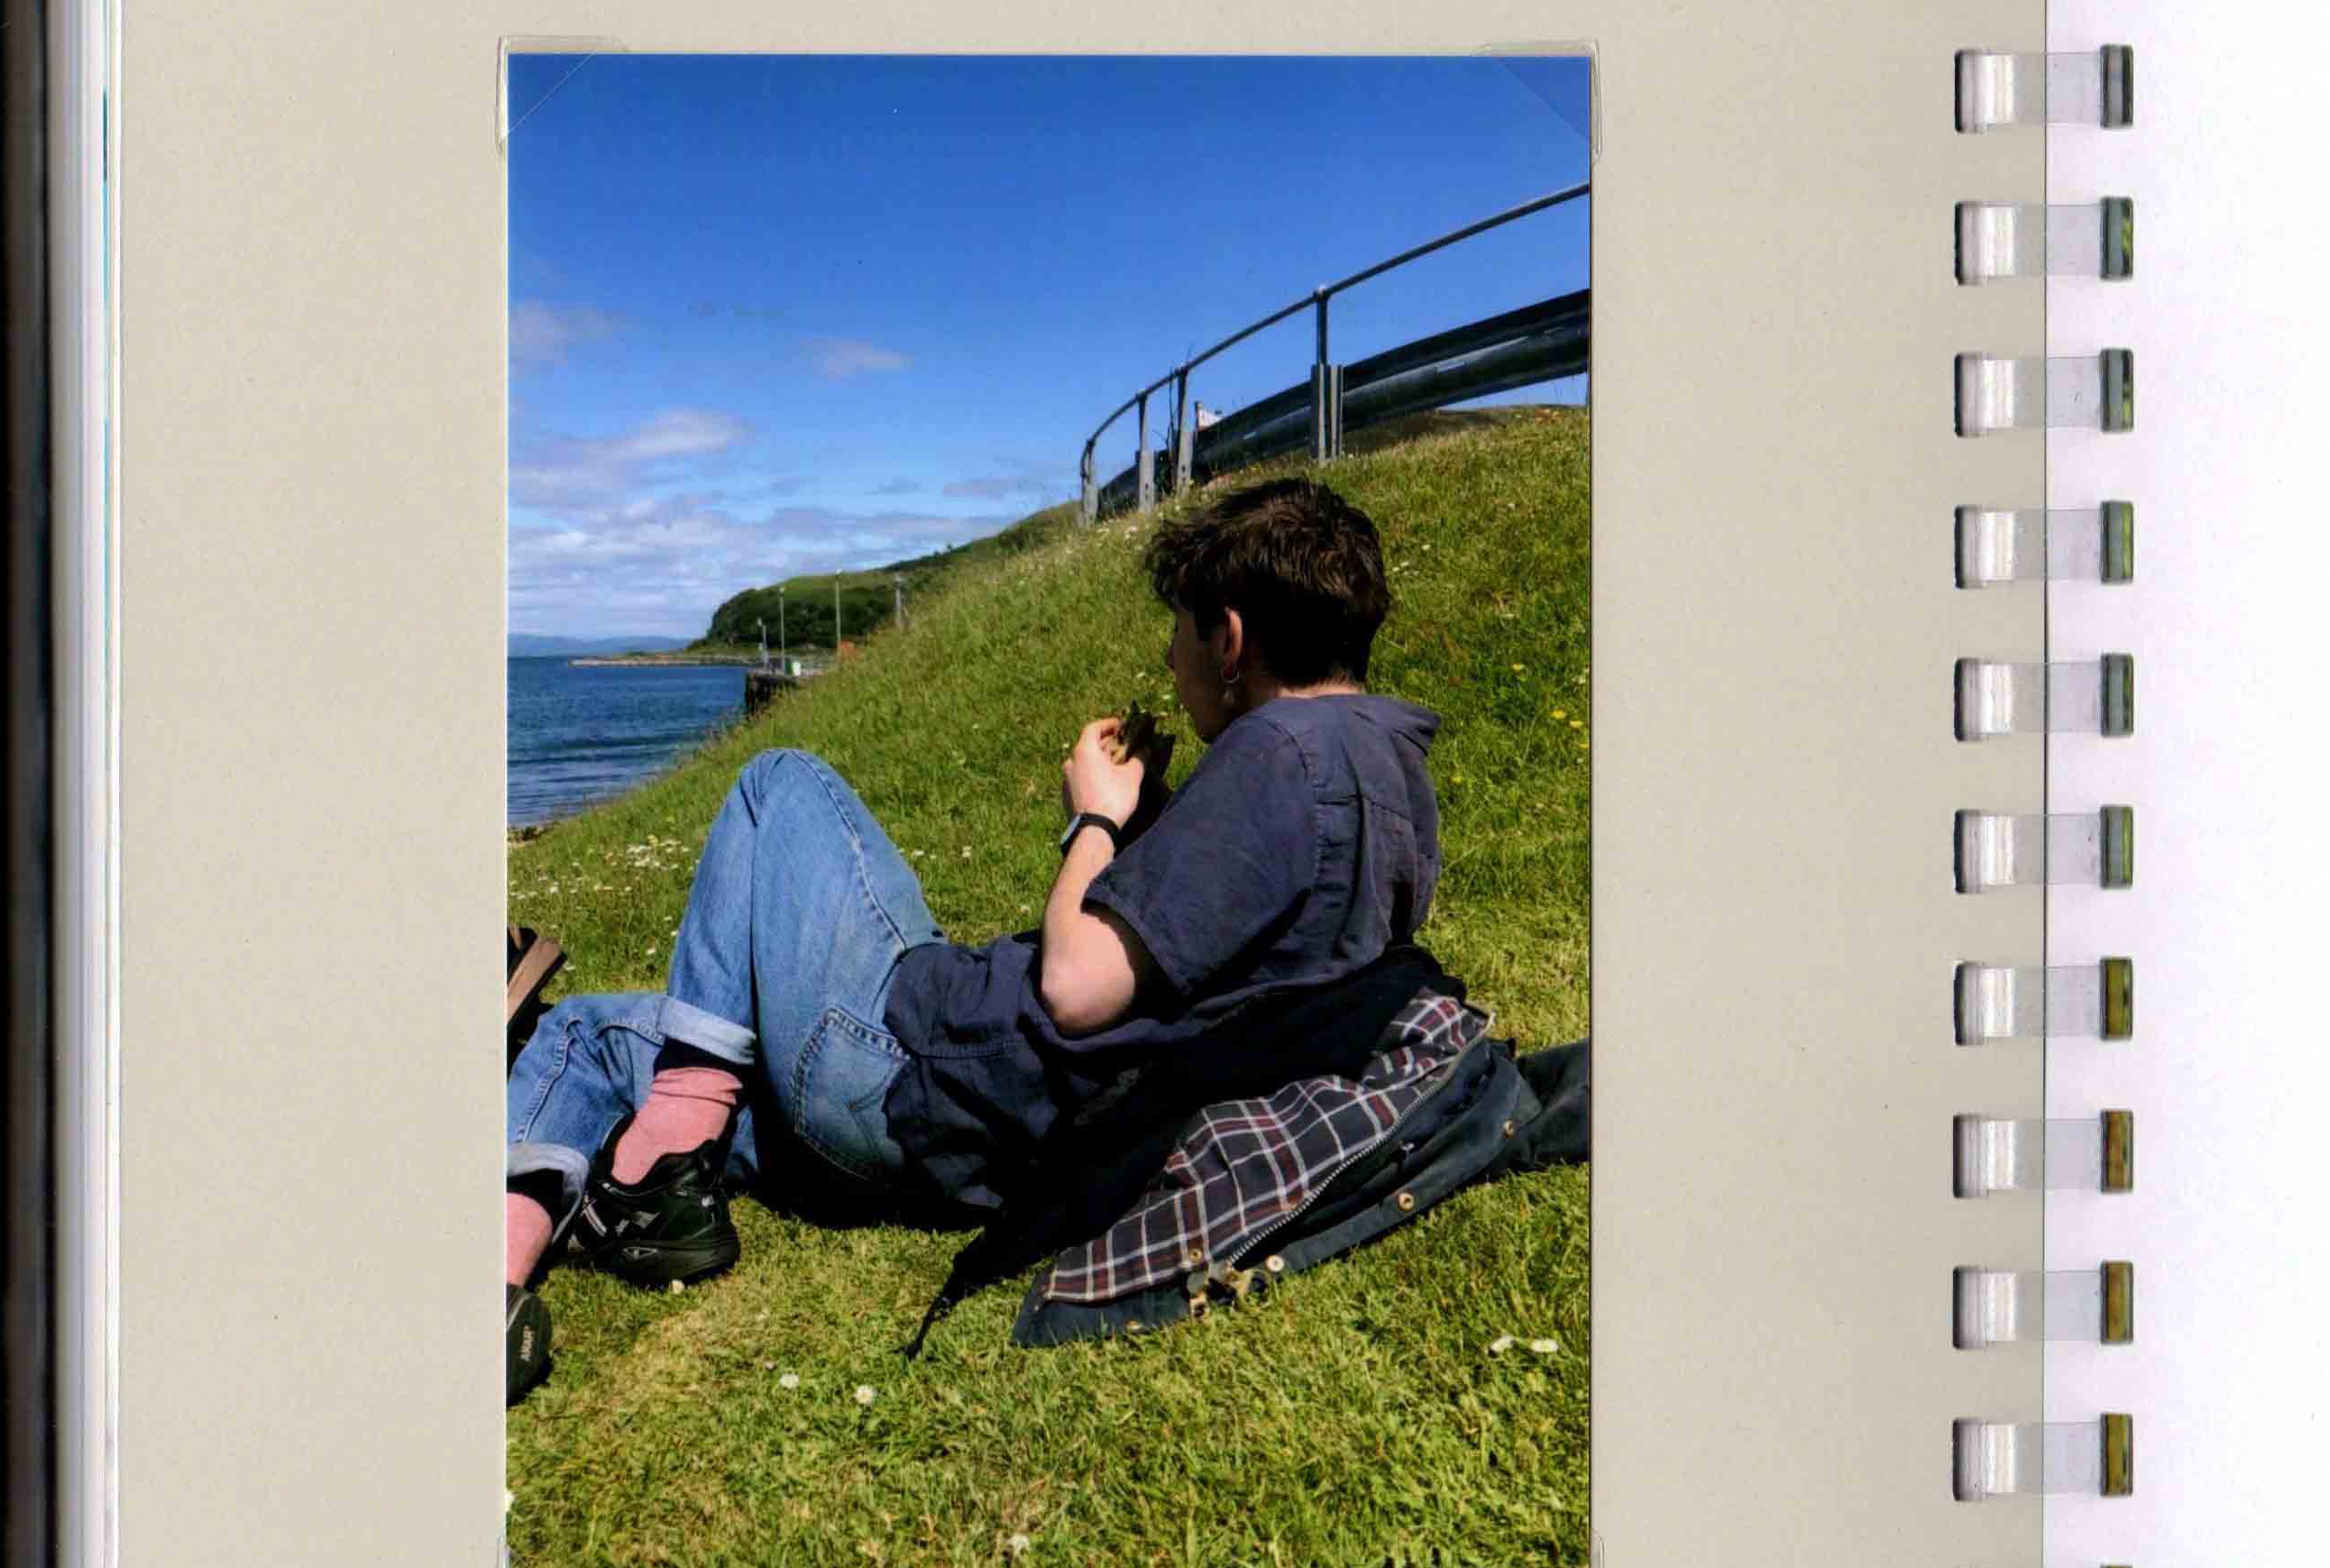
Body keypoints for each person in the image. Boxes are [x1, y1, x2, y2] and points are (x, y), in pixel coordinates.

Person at [500, 473, 1575, 1404]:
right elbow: (1251, 963)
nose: (1170, 656)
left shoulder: (1276, 756)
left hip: (906, 1069)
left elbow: (1074, 984)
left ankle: (664, 1163)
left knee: (779, 781)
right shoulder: (1389, 764)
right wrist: (1158, 831)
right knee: (593, 1036)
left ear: (1231, 636)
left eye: (1180, 630)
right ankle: (527, 1246)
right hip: (984, 1145)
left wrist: (1095, 819)